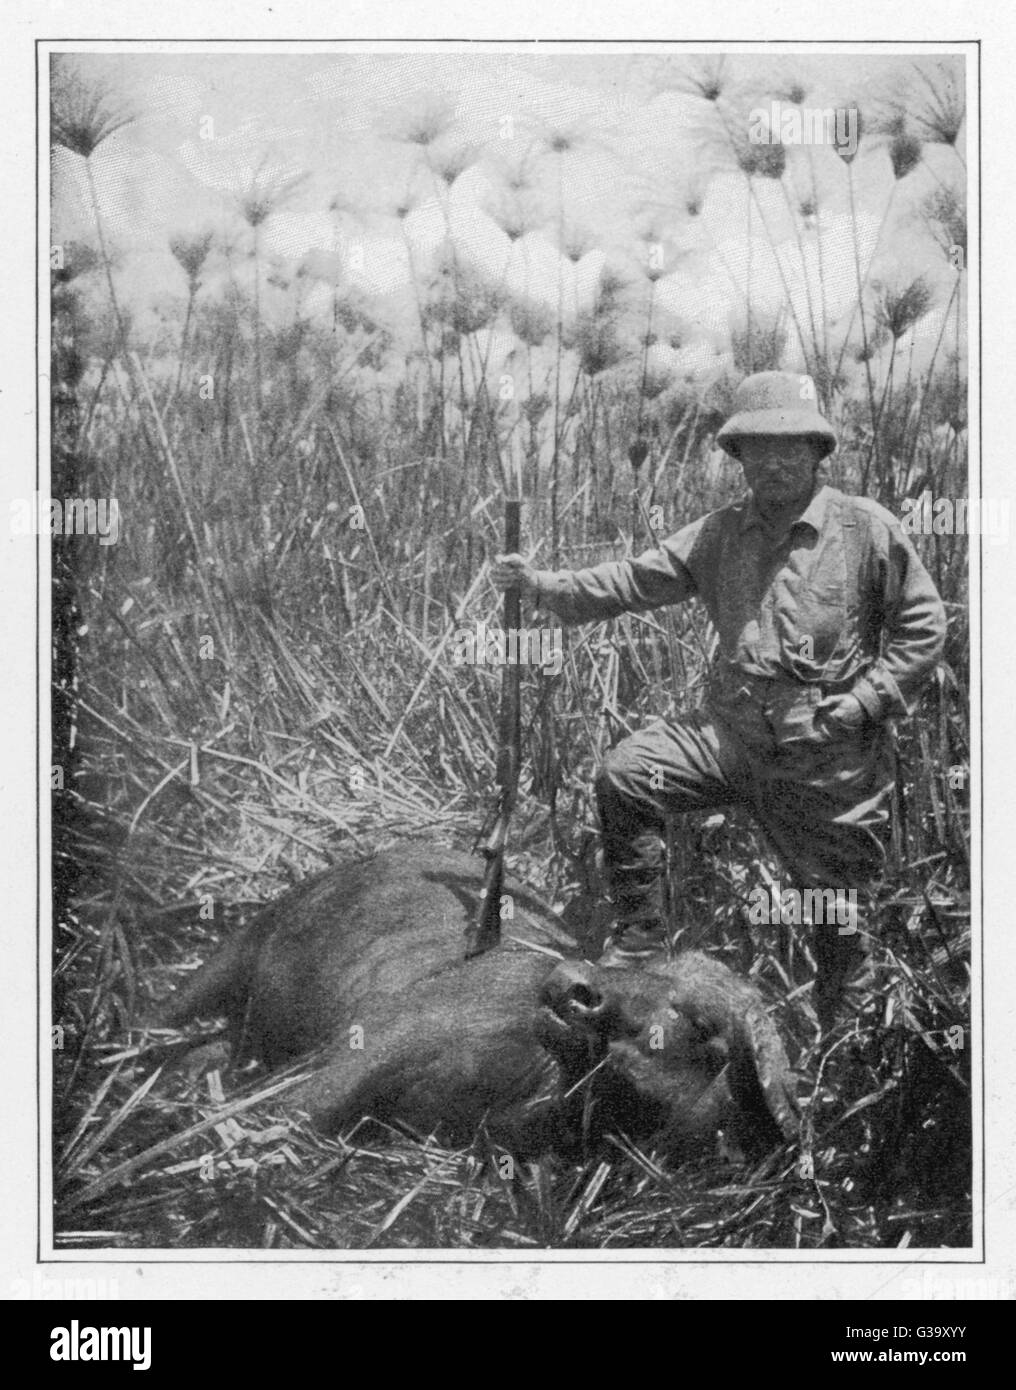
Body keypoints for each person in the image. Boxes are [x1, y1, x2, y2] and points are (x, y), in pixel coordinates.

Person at [492, 371, 947, 1031]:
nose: (775, 462)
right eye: (757, 448)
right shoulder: (720, 533)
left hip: (826, 760)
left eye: (791, 447)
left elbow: (924, 626)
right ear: (739, 459)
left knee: (839, 926)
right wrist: (540, 585)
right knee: (627, 774)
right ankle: (641, 939)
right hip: (728, 739)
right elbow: (633, 579)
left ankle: (842, 1059)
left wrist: (866, 701)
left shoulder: (866, 529)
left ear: (820, 453)